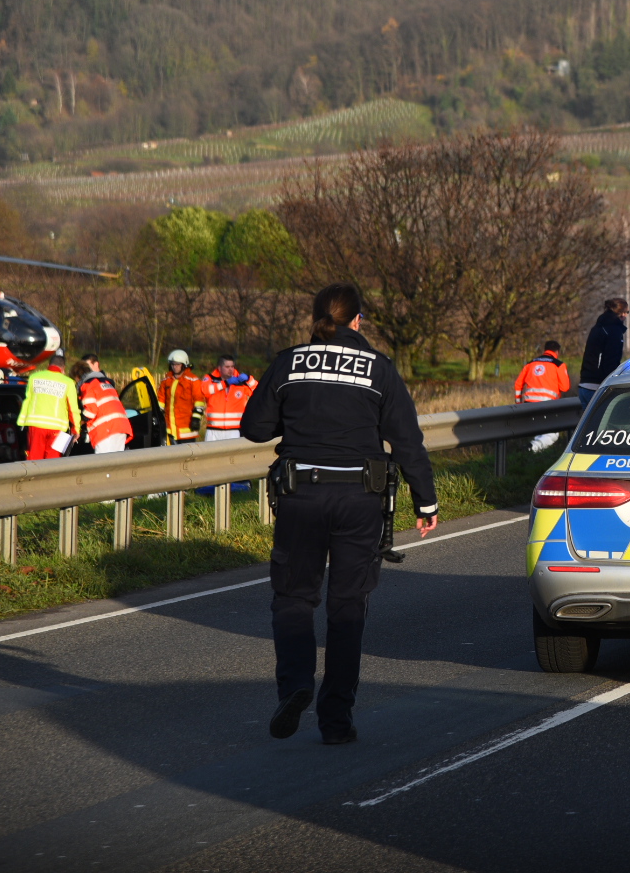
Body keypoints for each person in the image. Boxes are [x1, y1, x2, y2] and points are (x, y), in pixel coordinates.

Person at [240, 282, 438, 746]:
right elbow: (408, 441)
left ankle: (296, 686)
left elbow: (254, 427)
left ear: (316, 319)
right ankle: (336, 721)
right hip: (360, 501)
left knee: (293, 597)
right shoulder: (379, 369)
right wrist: (425, 503)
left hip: (301, 495)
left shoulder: (289, 362)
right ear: (358, 321)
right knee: (348, 607)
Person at [16, 349, 81, 460]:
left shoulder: (34, 378)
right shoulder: (68, 382)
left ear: (49, 365)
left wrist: (22, 423)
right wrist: (76, 430)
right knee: (54, 460)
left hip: (36, 425)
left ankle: (34, 478)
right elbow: (73, 409)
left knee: (34, 459)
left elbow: (27, 400)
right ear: (63, 368)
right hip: (58, 428)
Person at [514, 340, 571, 452]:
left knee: (541, 430)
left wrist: (519, 404)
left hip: (528, 405)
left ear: (545, 350)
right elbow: (565, 387)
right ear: (557, 352)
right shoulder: (559, 364)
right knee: (553, 434)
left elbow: (518, 385)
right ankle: (532, 448)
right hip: (548, 405)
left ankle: (532, 452)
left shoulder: (531, 363)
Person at [72, 360, 133, 454]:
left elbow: (90, 412)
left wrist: (78, 424)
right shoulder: (105, 383)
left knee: (103, 464)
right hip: (121, 427)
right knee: (116, 463)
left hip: (106, 430)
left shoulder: (88, 385)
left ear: (77, 377)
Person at [578, 297, 628, 407]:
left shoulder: (598, 327)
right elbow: (611, 359)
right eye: (627, 312)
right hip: (598, 386)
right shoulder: (613, 331)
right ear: (622, 313)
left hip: (584, 384)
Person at [200, 355, 257, 441]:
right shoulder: (210, 378)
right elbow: (205, 391)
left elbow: (259, 392)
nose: (230, 369)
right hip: (213, 430)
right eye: (227, 367)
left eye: (232, 366)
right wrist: (225, 384)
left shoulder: (241, 382)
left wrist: (249, 379)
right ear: (219, 368)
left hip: (234, 430)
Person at [158, 349, 204, 444]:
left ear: (184, 365)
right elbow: (161, 400)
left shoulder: (193, 381)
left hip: (187, 430)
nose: (175, 367)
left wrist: (196, 419)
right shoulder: (166, 381)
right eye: (173, 364)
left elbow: (199, 401)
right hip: (169, 430)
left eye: (178, 364)